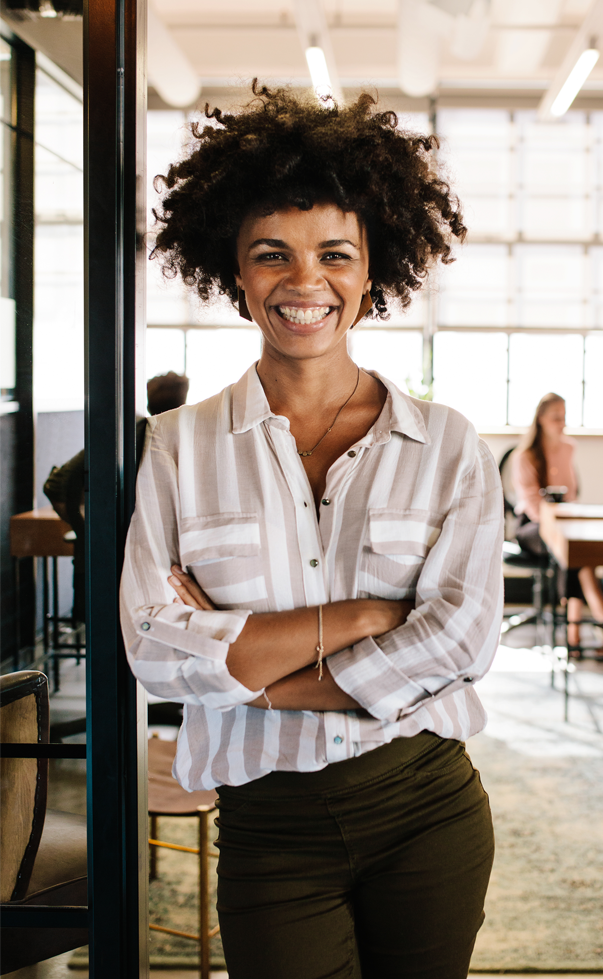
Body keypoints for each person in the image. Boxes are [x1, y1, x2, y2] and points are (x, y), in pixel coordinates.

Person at [120, 83, 504, 979]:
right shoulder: (178, 447)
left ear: (373, 270)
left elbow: (462, 639)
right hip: (270, 824)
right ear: (235, 271)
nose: (304, 283)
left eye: (335, 253)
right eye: (271, 255)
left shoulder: (444, 442)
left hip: (426, 806)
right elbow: (153, 647)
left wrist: (251, 679)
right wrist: (371, 615)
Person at [512, 392, 603, 648]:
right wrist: (557, 525)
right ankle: (591, 622)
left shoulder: (568, 448)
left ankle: (574, 636)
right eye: (556, 418)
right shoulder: (525, 456)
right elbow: (532, 505)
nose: (562, 423)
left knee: (577, 554)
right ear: (541, 419)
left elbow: (571, 493)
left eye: (564, 417)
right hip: (532, 526)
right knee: (574, 554)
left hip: (563, 521)